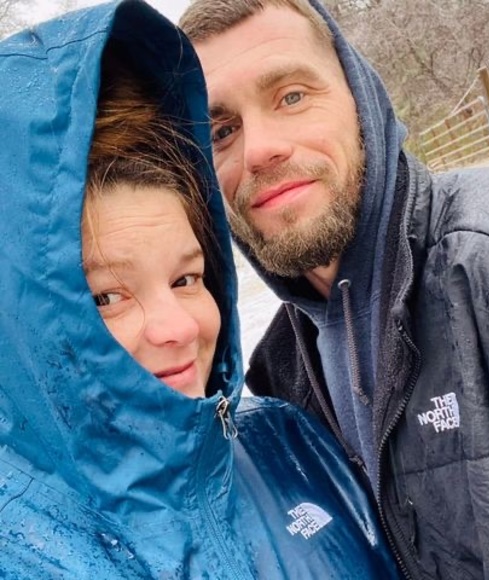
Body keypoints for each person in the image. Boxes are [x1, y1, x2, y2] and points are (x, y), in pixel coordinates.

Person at [179, 0, 489, 578]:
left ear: (361, 100)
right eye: (221, 131)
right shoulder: (277, 378)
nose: (259, 149)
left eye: (291, 96)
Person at [0, 1, 401, 577]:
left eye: (185, 279)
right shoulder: (23, 551)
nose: (180, 327)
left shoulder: (287, 439)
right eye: (106, 297)